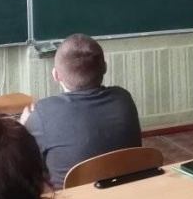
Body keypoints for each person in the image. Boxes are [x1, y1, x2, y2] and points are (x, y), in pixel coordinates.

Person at [22, 33, 142, 188]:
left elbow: (23, 159)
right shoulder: (123, 98)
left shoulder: (43, 113)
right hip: (128, 192)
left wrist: (22, 126)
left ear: (56, 75)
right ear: (105, 67)